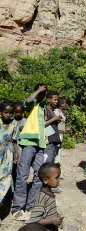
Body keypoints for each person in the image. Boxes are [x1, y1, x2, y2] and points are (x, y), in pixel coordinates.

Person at [12, 84, 47, 221]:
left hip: (40, 144)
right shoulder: (31, 104)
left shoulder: (43, 106)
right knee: (22, 175)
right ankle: (17, 208)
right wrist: (38, 90)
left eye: (44, 92)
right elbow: (27, 101)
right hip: (28, 142)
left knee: (39, 175)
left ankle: (30, 206)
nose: (42, 95)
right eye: (40, 92)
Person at [29, 162, 63, 231]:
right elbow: (33, 221)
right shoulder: (42, 198)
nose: (59, 180)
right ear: (45, 180)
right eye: (56, 178)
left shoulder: (50, 193)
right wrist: (51, 220)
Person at [0, 101, 19, 206]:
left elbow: (14, 140)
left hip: (8, 154)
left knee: (6, 178)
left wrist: (16, 154)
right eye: (5, 112)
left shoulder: (14, 123)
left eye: (10, 112)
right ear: (0, 112)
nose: (8, 115)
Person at [44, 91, 61, 164]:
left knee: (51, 161)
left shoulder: (52, 111)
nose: (56, 101)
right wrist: (54, 119)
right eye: (55, 99)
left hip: (53, 140)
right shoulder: (45, 110)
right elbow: (43, 124)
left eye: (57, 100)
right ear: (48, 100)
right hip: (48, 140)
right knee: (47, 162)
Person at [54, 97, 69, 164]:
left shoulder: (61, 112)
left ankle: (56, 163)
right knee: (55, 149)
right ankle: (54, 164)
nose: (66, 105)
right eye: (65, 103)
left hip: (60, 134)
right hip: (57, 134)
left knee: (58, 149)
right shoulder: (57, 112)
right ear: (61, 104)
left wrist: (65, 129)